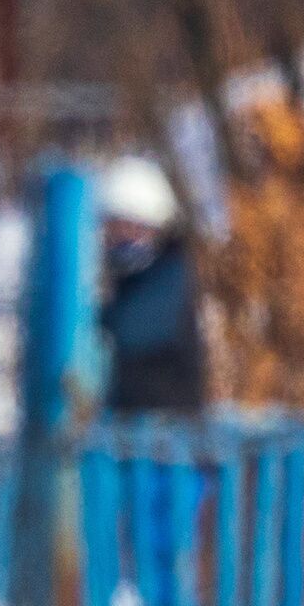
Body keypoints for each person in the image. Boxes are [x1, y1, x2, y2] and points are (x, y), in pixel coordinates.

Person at [97, 155, 207, 418]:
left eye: (128, 228)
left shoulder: (170, 273)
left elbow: (131, 330)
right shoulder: (131, 279)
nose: (117, 239)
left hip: (166, 437)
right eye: (111, 229)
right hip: (131, 435)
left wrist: (93, 318)